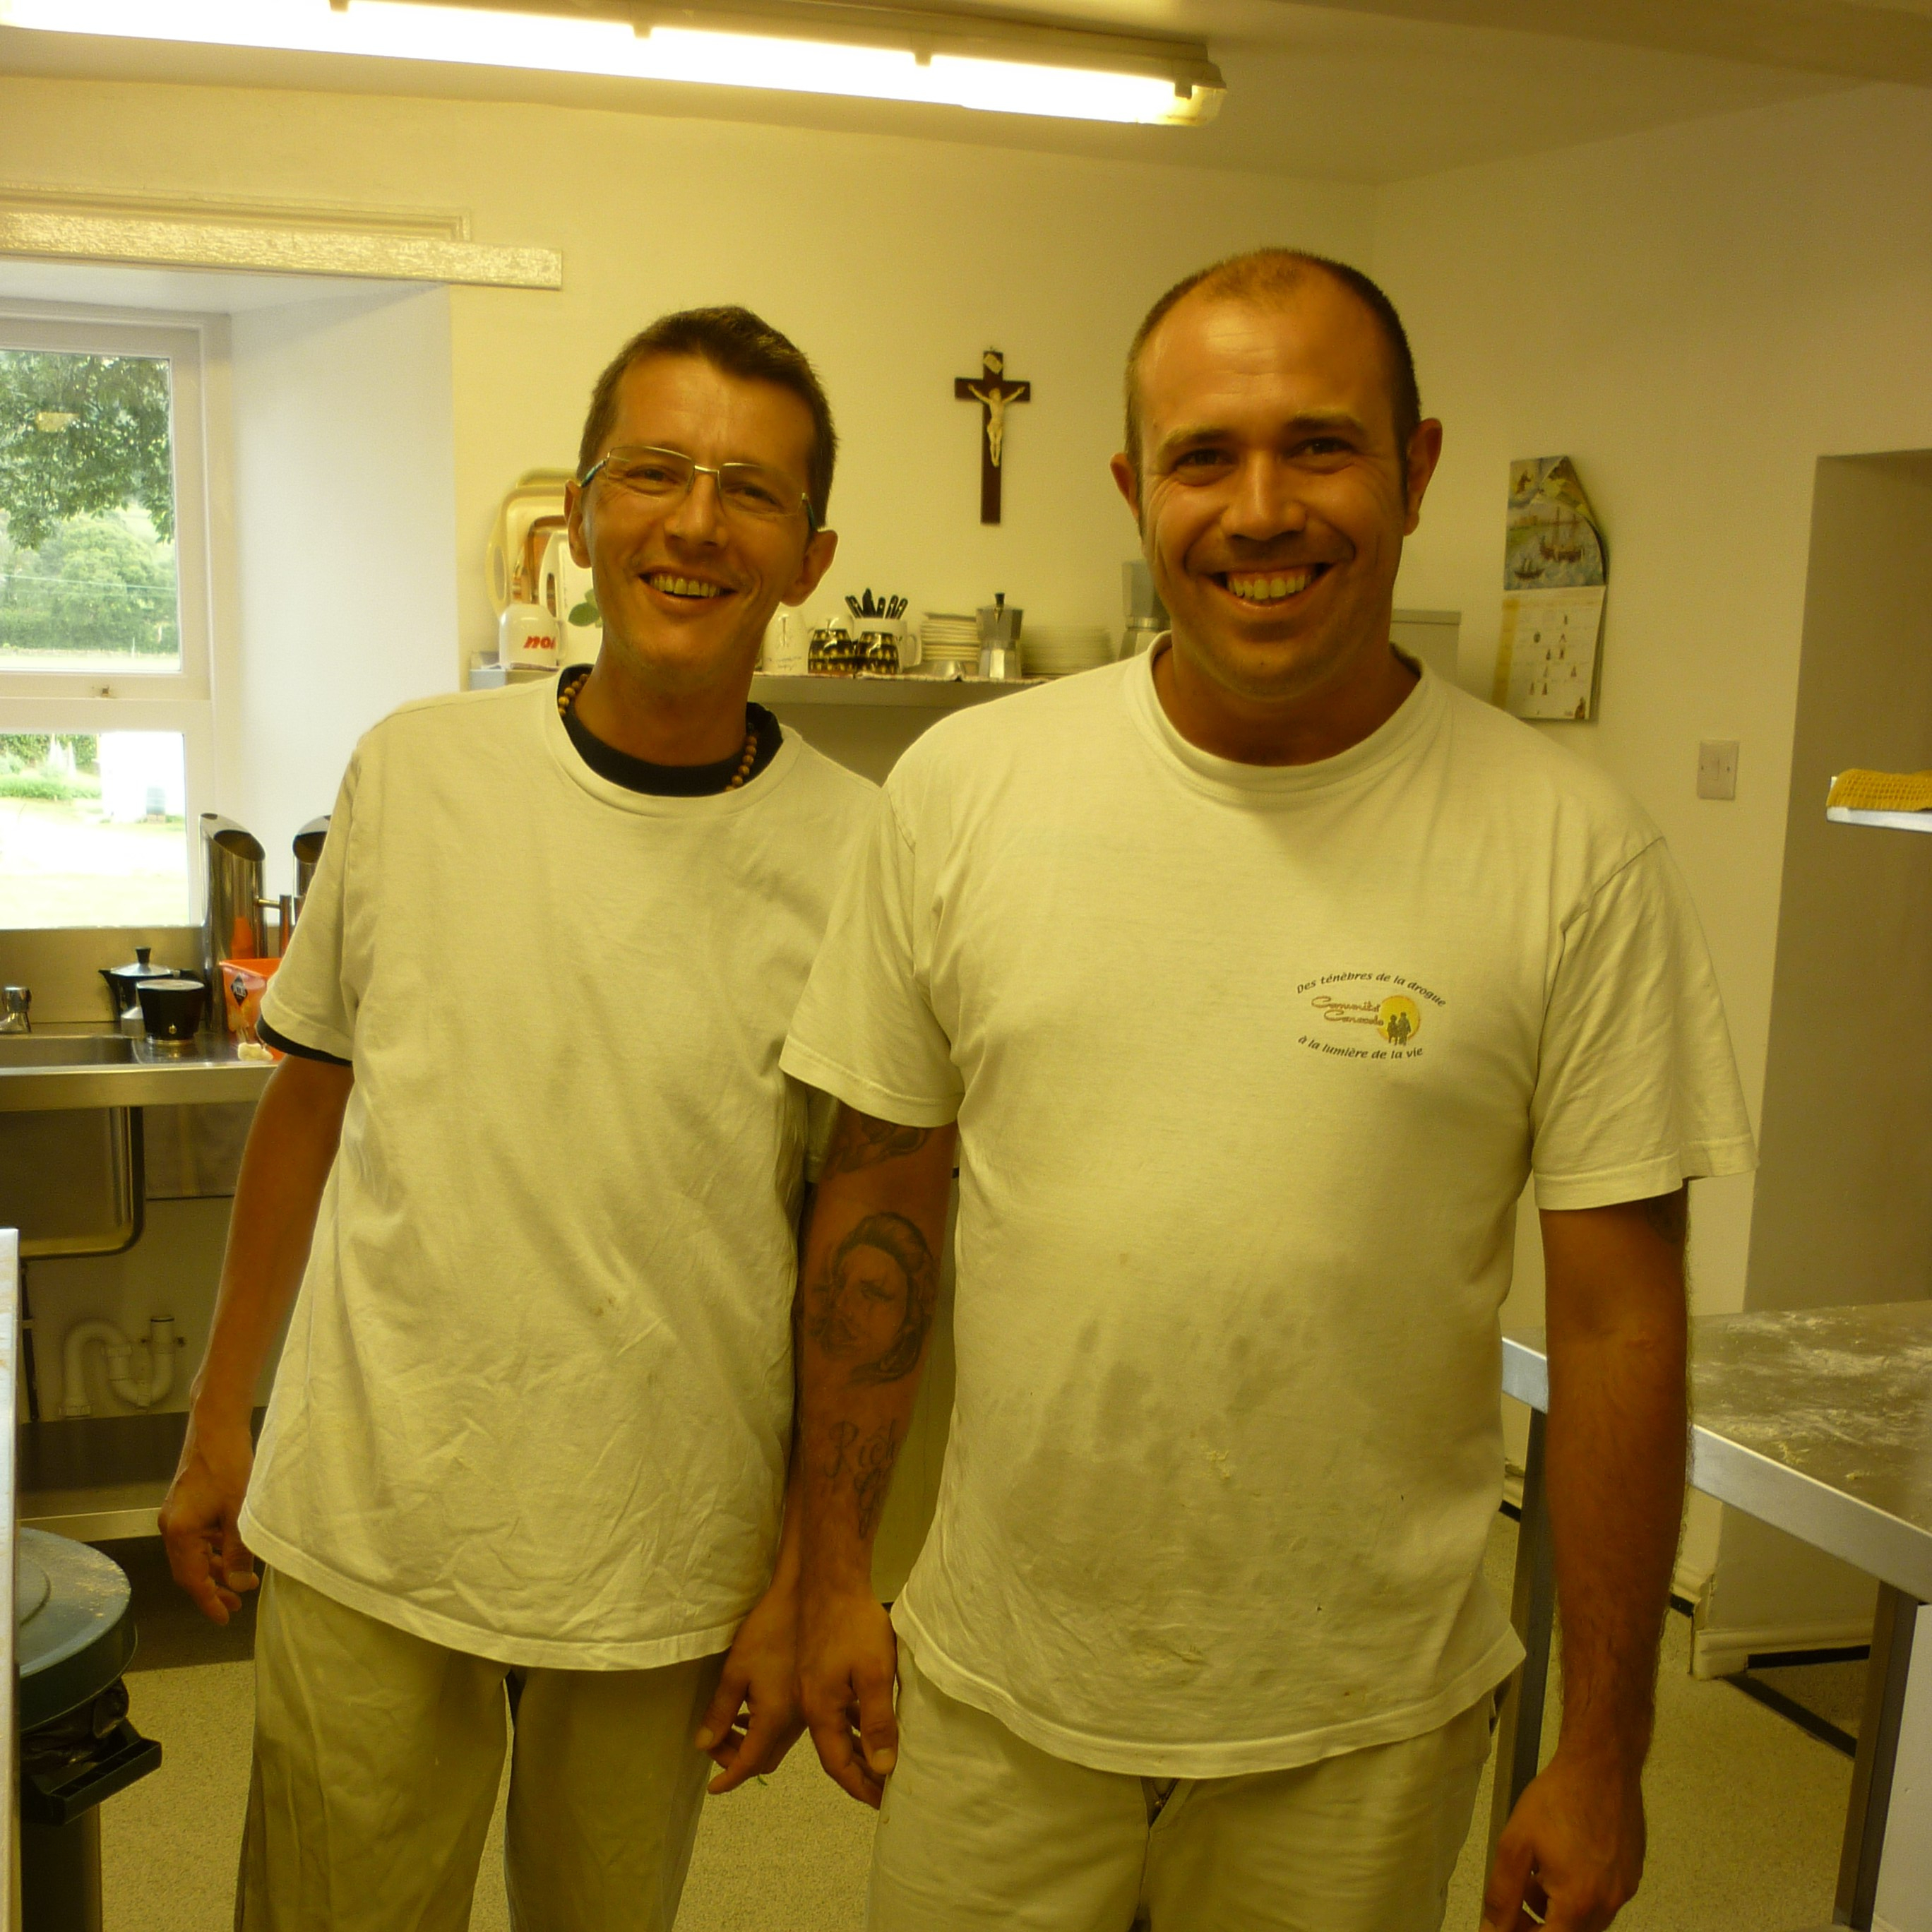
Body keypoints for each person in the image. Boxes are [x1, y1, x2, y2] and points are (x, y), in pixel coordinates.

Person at [782, 250, 1755, 1932]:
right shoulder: (963, 797)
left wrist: (1605, 1748)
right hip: (1005, 1694)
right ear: (1133, 488)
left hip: (1359, 1731)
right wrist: (829, 1573)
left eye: (1319, 446)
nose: (1260, 510)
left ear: (1416, 469)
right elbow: (879, 1201)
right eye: (1204, 457)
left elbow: (1616, 1329)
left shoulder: (1569, 851)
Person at [158, 306, 873, 1931]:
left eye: (753, 492)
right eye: (655, 472)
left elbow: (856, 1246)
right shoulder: (417, 773)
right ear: (581, 518)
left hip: (659, 1552)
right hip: (374, 1516)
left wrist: (810, 1573)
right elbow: (309, 1105)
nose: (697, 523)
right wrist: (218, 1419)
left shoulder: (862, 856)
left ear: (811, 559)